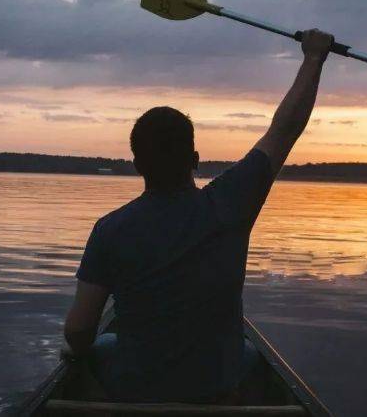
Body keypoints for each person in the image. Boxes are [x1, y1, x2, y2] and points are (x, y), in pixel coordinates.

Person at [63, 28, 335, 402]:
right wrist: (313, 58)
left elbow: (79, 331)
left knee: (102, 345)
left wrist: (79, 355)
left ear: (136, 165)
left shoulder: (110, 229)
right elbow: (284, 130)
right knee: (251, 355)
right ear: (194, 160)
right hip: (216, 384)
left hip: (136, 387)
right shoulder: (231, 202)